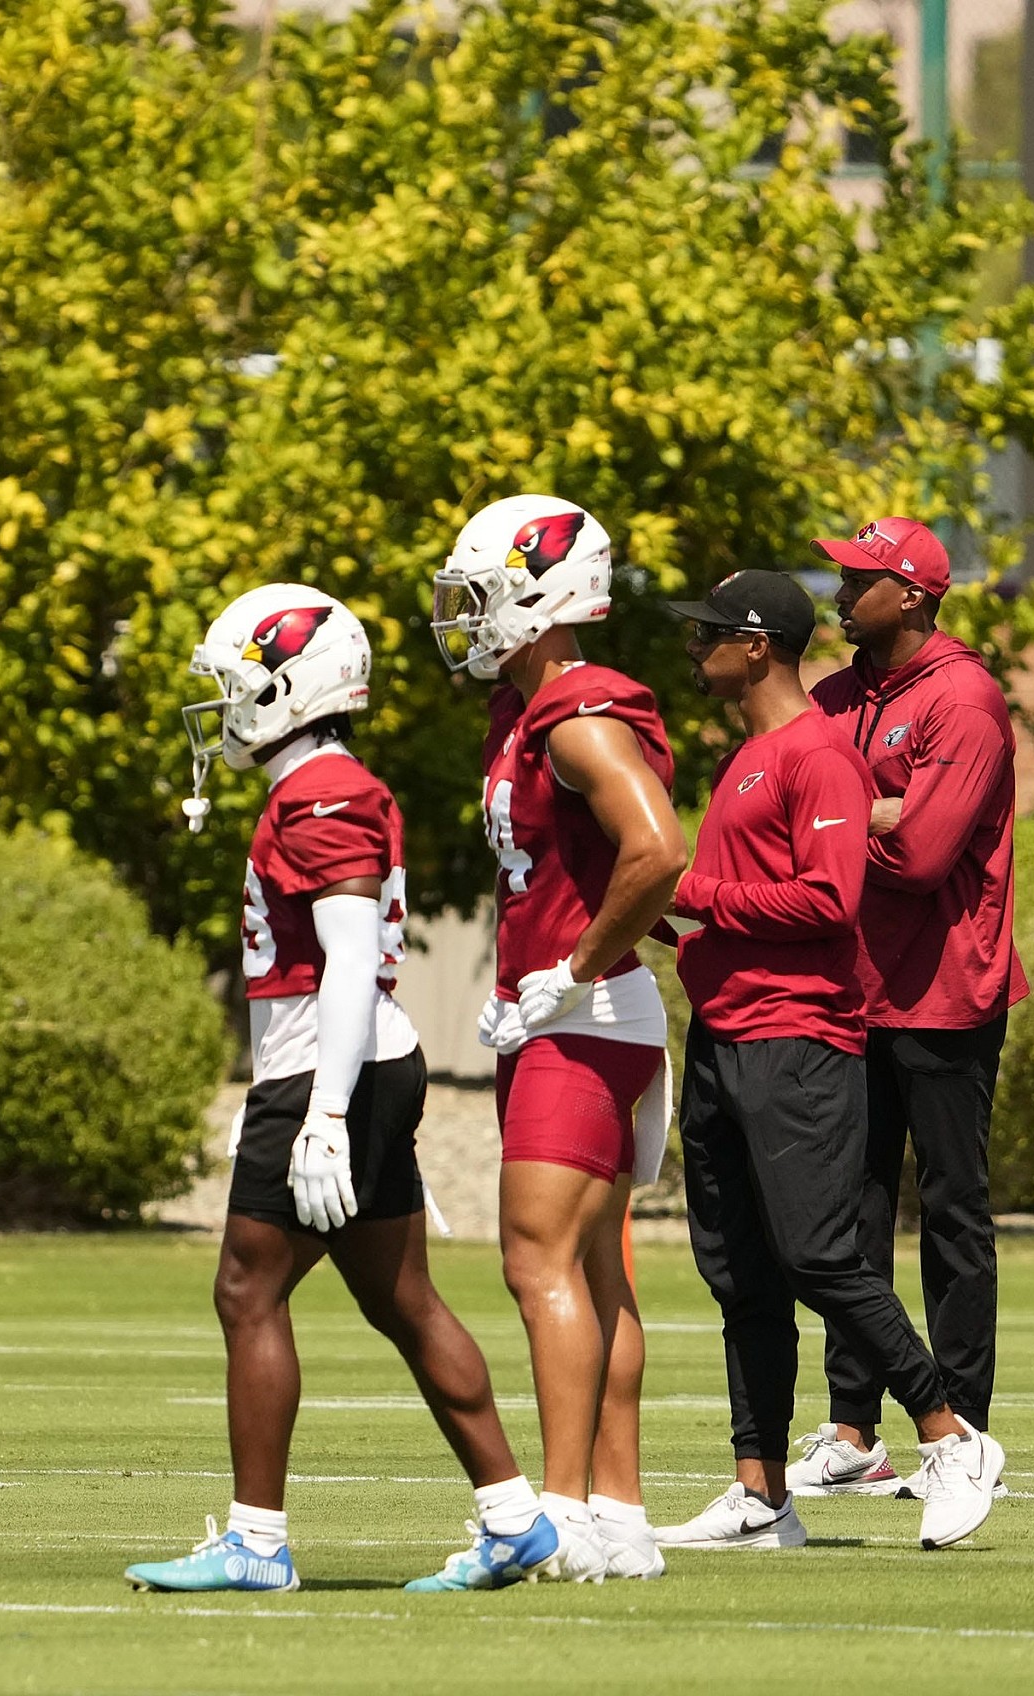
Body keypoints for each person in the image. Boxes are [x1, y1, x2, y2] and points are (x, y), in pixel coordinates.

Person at [124, 587, 561, 1595]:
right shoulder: (317, 785)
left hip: (334, 1068)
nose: (225, 705)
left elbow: (352, 957)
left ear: (293, 687)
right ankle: (513, 1519)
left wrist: (322, 1111)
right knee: (401, 1298)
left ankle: (256, 1543)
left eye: (239, 683)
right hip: (356, 1064)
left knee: (247, 1291)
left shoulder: (322, 792)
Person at [653, 569, 1007, 1551]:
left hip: (798, 1041)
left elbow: (825, 899)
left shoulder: (815, 754)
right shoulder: (750, 757)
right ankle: (760, 1494)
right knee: (743, 1276)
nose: (695, 650)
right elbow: (737, 906)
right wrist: (659, 916)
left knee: (818, 1256)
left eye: (708, 635)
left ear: (757, 645)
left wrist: (692, 894)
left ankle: (949, 1435)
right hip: (725, 1035)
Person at [430, 496, 685, 1581]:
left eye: (480, 595)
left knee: (537, 1262)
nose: (463, 616)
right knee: (590, 1270)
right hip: (567, 1014)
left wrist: (572, 971)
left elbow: (658, 849)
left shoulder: (578, 714)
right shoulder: (525, 706)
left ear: (540, 598)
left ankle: (566, 1511)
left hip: (585, 1016)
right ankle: (619, 1516)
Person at [790, 518, 1028, 1500]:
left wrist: (844, 819)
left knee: (952, 1215)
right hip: (851, 990)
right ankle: (854, 1431)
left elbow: (923, 856)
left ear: (914, 597)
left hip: (946, 991)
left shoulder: (963, 698)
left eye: (859, 580)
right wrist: (874, 812)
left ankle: (961, 1434)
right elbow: (790, 821)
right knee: (848, 1216)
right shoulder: (833, 696)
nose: (841, 594)